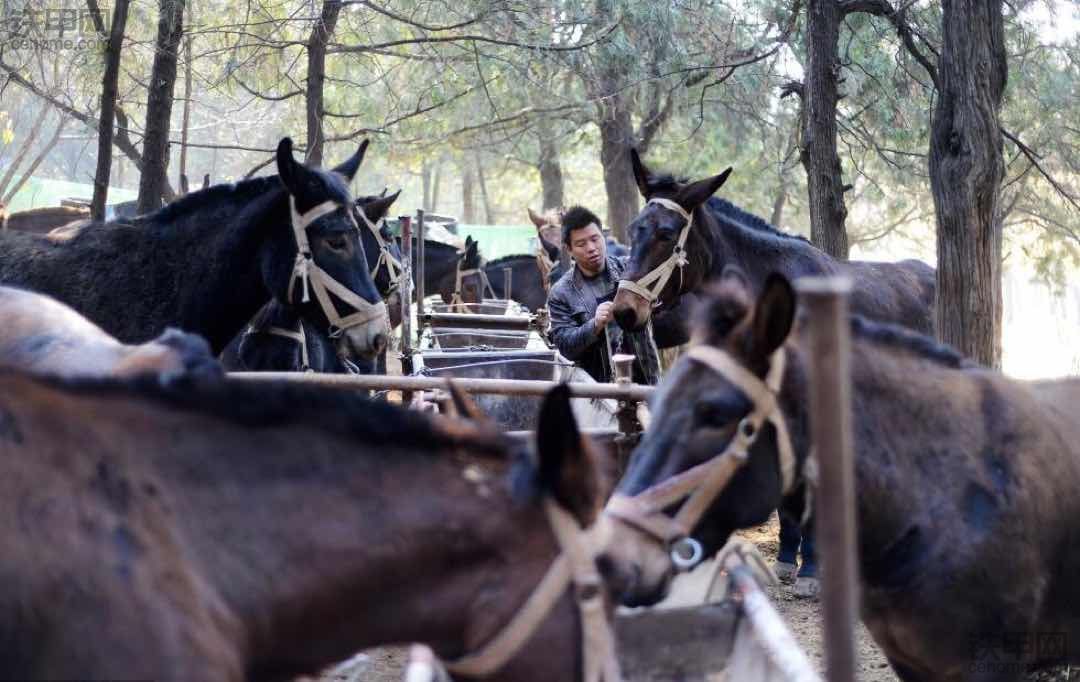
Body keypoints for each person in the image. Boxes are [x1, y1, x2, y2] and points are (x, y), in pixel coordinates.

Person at [546, 206, 660, 385]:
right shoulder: (561, 293)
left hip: (647, 382)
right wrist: (595, 324)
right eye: (581, 244)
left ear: (603, 237)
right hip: (599, 394)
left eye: (595, 239)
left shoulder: (629, 271)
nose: (591, 248)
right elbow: (565, 348)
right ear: (569, 249)